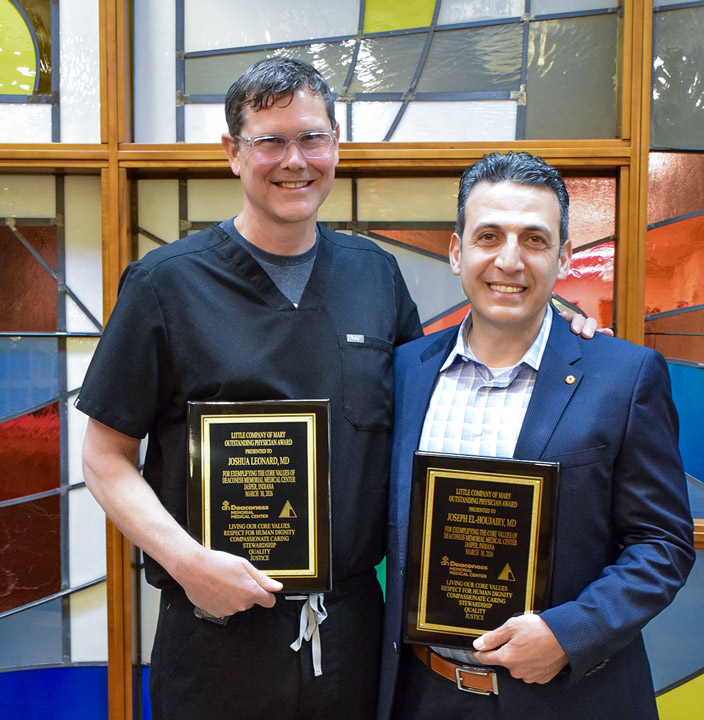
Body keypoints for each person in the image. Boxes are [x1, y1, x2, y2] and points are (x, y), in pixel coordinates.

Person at [78, 59, 597, 719]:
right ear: (232, 152)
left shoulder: (373, 276)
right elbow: (104, 456)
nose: (294, 160)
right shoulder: (165, 284)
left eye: (311, 138)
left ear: (336, 145)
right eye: (271, 141)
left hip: (355, 639)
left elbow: (440, 384)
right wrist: (187, 563)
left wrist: (555, 331)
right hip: (215, 633)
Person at [378, 151, 695, 720]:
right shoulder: (405, 372)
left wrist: (568, 634)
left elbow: (663, 543)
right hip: (426, 695)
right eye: (489, 236)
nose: (509, 260)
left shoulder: (624, 377)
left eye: (534, 239)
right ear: (456, 251)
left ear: (563, 256)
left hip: (570, 701)